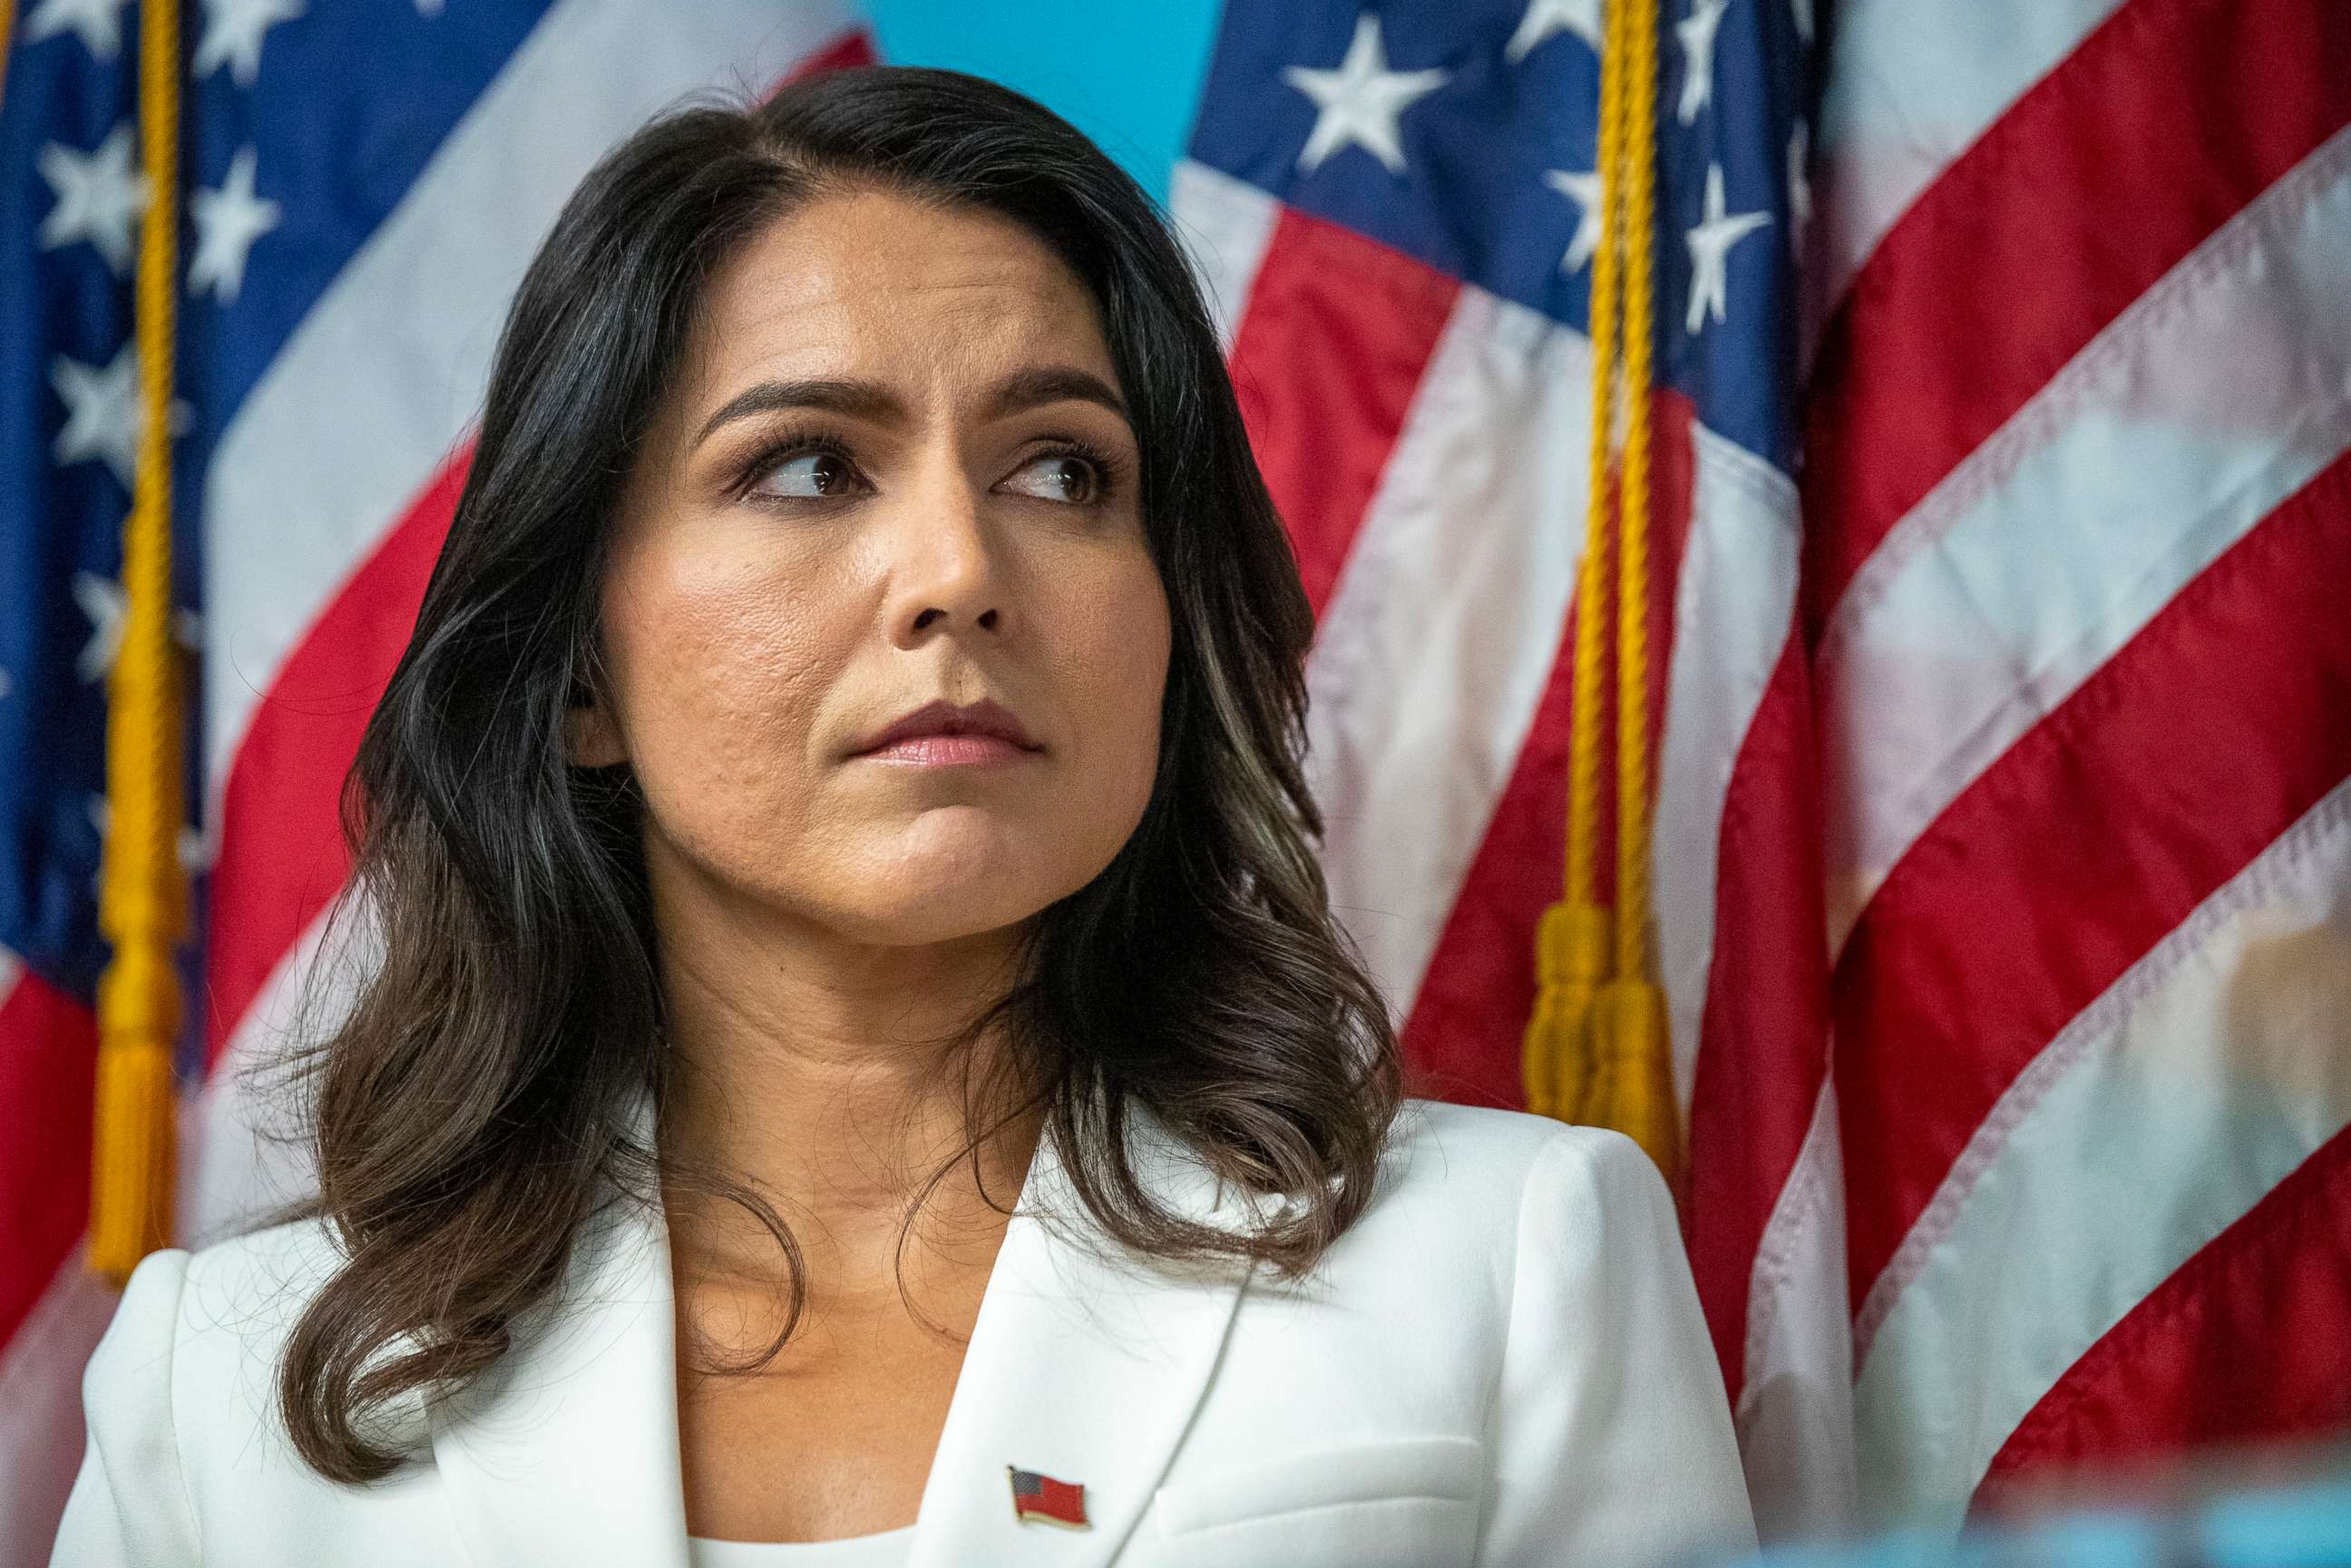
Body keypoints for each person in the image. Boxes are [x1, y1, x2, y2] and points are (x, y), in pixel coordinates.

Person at [50, 66, 1757, 1568]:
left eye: (1065, 471)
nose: (959, 571)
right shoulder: (227, 1386)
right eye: (807, 465)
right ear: (580, 670)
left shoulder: (1513, 1264)